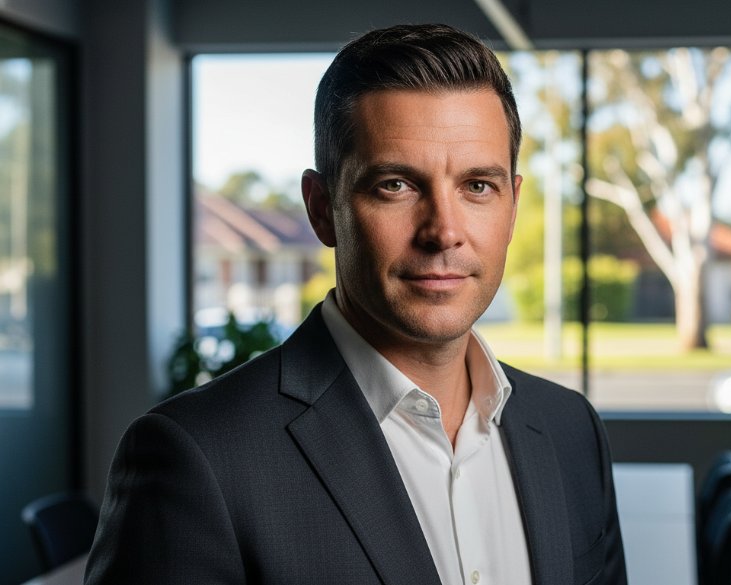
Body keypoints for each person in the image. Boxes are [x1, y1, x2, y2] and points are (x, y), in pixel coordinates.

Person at [86, 23, 626, 585]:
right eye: (396, 185)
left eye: (477, 186)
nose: (444, 232)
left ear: (512, 206)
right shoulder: (199, 458)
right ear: (322, 209)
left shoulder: (570, 431)